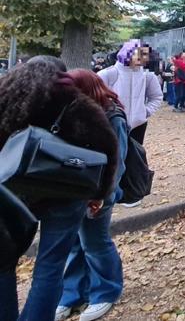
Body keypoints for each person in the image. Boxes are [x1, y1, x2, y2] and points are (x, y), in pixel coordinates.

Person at [0, 57, 118, 321]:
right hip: (66, 194)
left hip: (12, 192)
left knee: (3, 260)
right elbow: (108, 148)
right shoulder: (77, 103)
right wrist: (100, 193)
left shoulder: (6, 98)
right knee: (50, 267)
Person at [55, 69, 129, 321]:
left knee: (95, 243)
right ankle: (72, 294)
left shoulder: (112, 117)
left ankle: (105, 291)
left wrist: (101, 195)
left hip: (100, 191)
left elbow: (117, 164)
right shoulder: (74, 113)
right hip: (75, 190)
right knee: (75, 243)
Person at [98, 40, 162, 145]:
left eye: (146, 54)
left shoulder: (148, 77)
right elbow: (95, 96)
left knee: (134, 158)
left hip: (138, 125)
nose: (144, 58)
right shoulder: (107, 74)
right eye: (141, 53)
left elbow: (156, 97)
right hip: (112, 123)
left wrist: (145, 111)